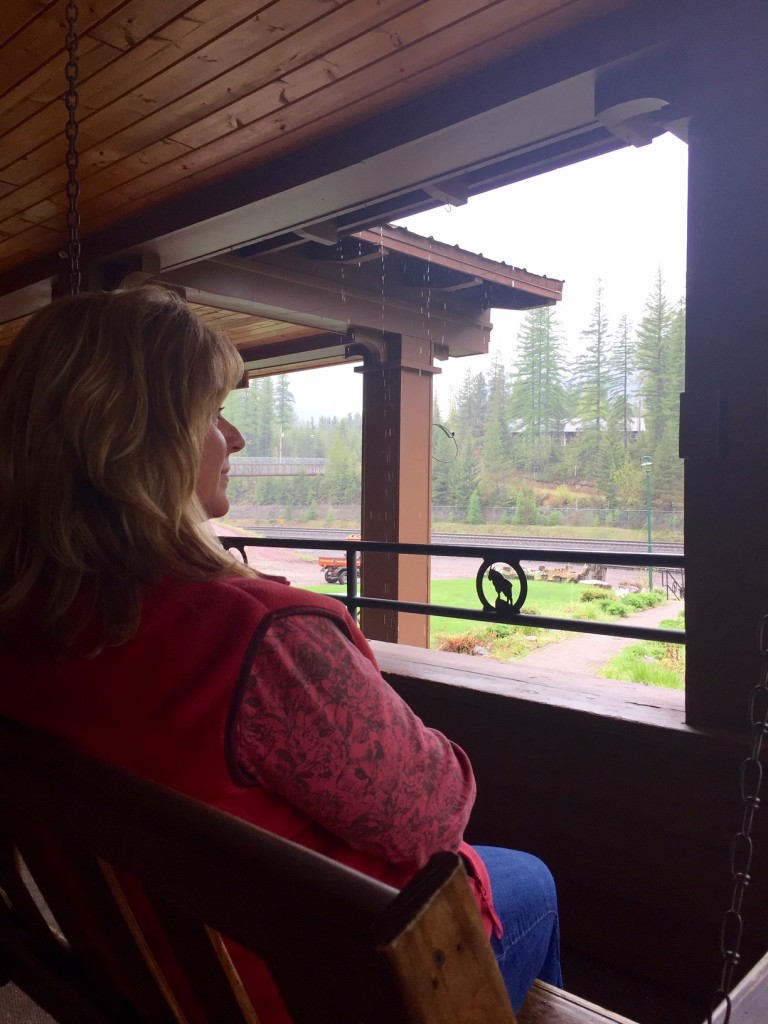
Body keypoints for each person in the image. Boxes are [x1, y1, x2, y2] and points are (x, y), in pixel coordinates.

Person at [0, 286, 561, 1019]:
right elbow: (436, 812)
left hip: (146, 977)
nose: (233, 440)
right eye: (209, 415)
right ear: (135, 442)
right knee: (531, 882)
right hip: (302, 995)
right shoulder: (262, 641)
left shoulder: (25, 620)